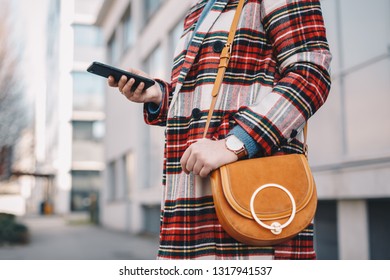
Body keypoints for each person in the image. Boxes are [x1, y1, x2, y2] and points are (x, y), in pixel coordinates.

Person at [108, 0, 331, 260]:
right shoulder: (198, 9)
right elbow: (206, 101)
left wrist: (233, 144)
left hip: (249, 193)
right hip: (188, 200)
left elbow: (310, 73)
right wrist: (159, 94)